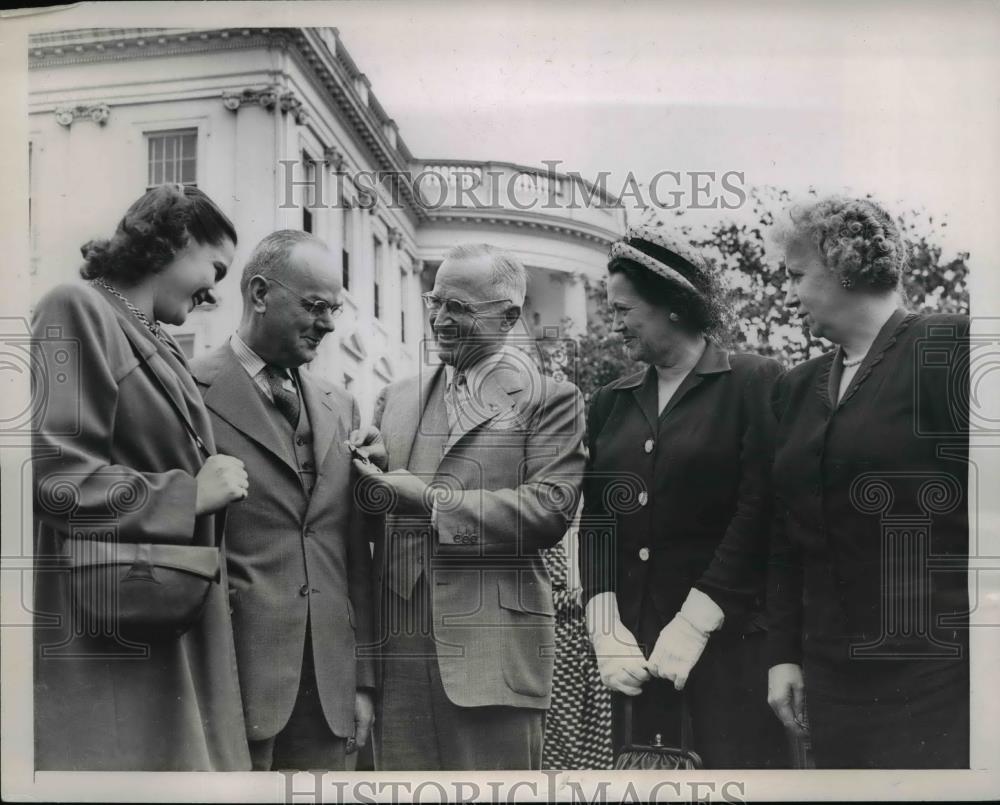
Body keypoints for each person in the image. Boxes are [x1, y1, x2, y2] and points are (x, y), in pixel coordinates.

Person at [32, 183, 250, 770]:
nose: (214, 292)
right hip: (109, 628)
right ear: (176, 241)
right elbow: (57, 479)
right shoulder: (73, 307)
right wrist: (190, 493)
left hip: (161, 613)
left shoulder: (151, 336)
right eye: (216, 267)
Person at [351, 243, 586, 770]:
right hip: (402, 661)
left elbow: (550, 509)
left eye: (458, 307)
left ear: (509, 317)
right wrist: (365, 468)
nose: (438, 318)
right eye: (436, 302)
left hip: (494, 663)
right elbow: (367, 522)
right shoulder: (397, 398)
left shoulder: (552, 399)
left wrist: (433, 501)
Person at [765, 197, 970, 769]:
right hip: (829, 681)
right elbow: (785, 537)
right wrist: (783, 657)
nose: (789, 293)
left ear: (845, 266)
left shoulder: (951, 350)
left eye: (797, 276)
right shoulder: (795, 388)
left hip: (941, 678)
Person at [579, 225, 787, 769]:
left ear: (673, 306)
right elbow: (597, 520)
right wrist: (604, 626)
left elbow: (760, 509)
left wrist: (698, 618)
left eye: (624, 308)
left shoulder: (755, 381)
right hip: (638, 656)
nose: (614, 321)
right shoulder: (610, 402)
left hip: (731, 648)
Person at [190, 230, 375, 771]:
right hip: (232, 684)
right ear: (260, 293)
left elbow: (350, 551)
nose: (329, 323)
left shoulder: (341, 406)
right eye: (316, 306)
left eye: (335, 309)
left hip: (331, 695)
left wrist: (363, 681)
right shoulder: (187, 389)